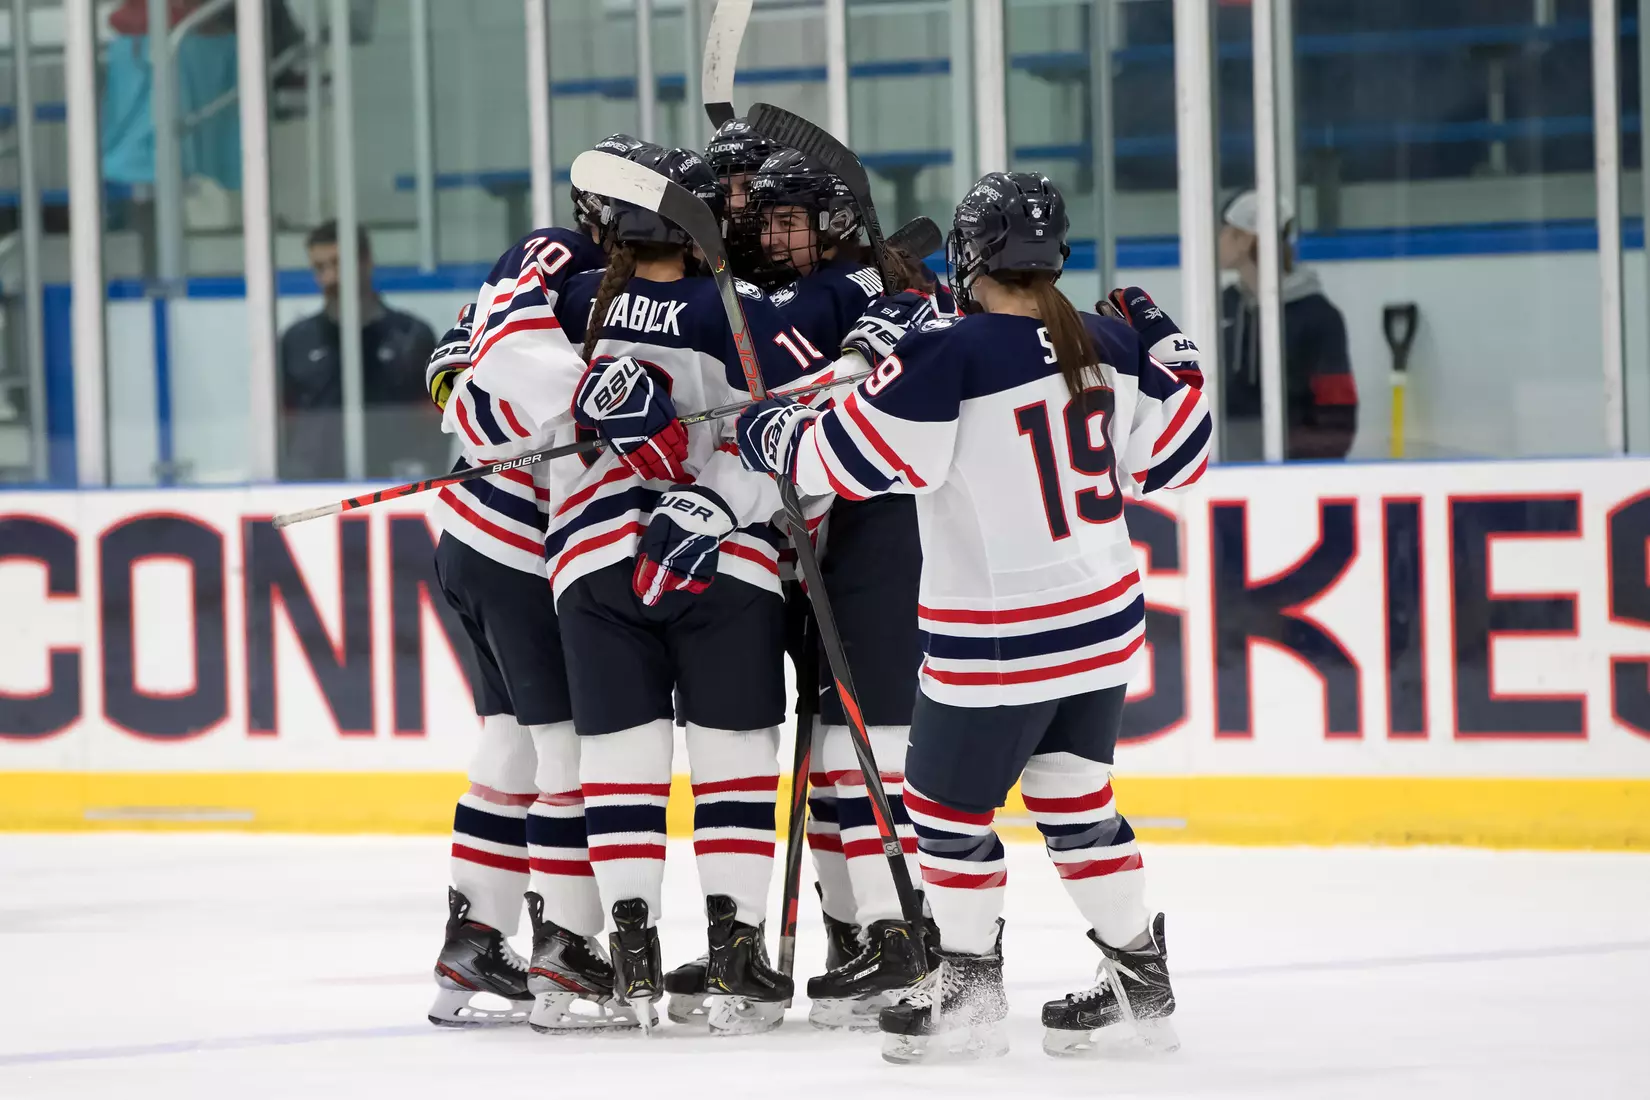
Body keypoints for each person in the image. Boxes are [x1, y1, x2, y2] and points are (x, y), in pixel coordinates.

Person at [735, 172, 1209, 1063]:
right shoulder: (1103, 337)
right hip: (1102, 621)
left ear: (968, 256)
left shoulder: (950, 356)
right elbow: (1179, 457)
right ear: (1055, 254)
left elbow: (842, 461)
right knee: (1075, 800)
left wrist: (772, 431)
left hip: (1001, 637)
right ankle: (1141, 982)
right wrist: (1167, 342)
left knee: (945, 816)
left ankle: (967, 992)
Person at [548, 144, 822, 1036]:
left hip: (591, 561)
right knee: (734, 755)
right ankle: (734, 951)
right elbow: (798, 432)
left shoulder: (565, 300)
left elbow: (478, 394)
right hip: (726, 559)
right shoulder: (738, 307)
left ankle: (632, 946)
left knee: (620, 758)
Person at [424, 134, 645, 1032]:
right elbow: (484, 370)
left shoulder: (549, 260)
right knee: (563, 752)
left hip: (474, 536)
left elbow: (445, 371)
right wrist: (593, 394)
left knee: (512, 741)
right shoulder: (567, 260)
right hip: (515, 546)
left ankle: (473, 937)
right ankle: (564, 953)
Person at [728, 148, 940, 1031]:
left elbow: (855, 383)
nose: (772, 234)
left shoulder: (899, 295)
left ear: (836, 223)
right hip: (808, 535)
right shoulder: (759, 293)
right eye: (762, 217)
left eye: (790, 219)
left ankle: (906, 934)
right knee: (825, 754)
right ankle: (854, 933)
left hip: (886, 528)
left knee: (874, 740)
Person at [278, 221, 442, 480]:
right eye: (320, 268)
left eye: (338, 263)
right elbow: (283, 425)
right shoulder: (296, 341)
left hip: (393, 491)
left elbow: (437, 423)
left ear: (366, 261)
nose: (330, 277)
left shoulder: (411, 336)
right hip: (313, 489)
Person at [1217, 189, 1358, 460]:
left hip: (1296, 474)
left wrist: (1290, 462)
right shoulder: (1224, 305)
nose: (1218, 240)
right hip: (1227, 472)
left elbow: (1338, 415)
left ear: (1245, 239)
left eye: (1225, 230)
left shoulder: (1318, 316)